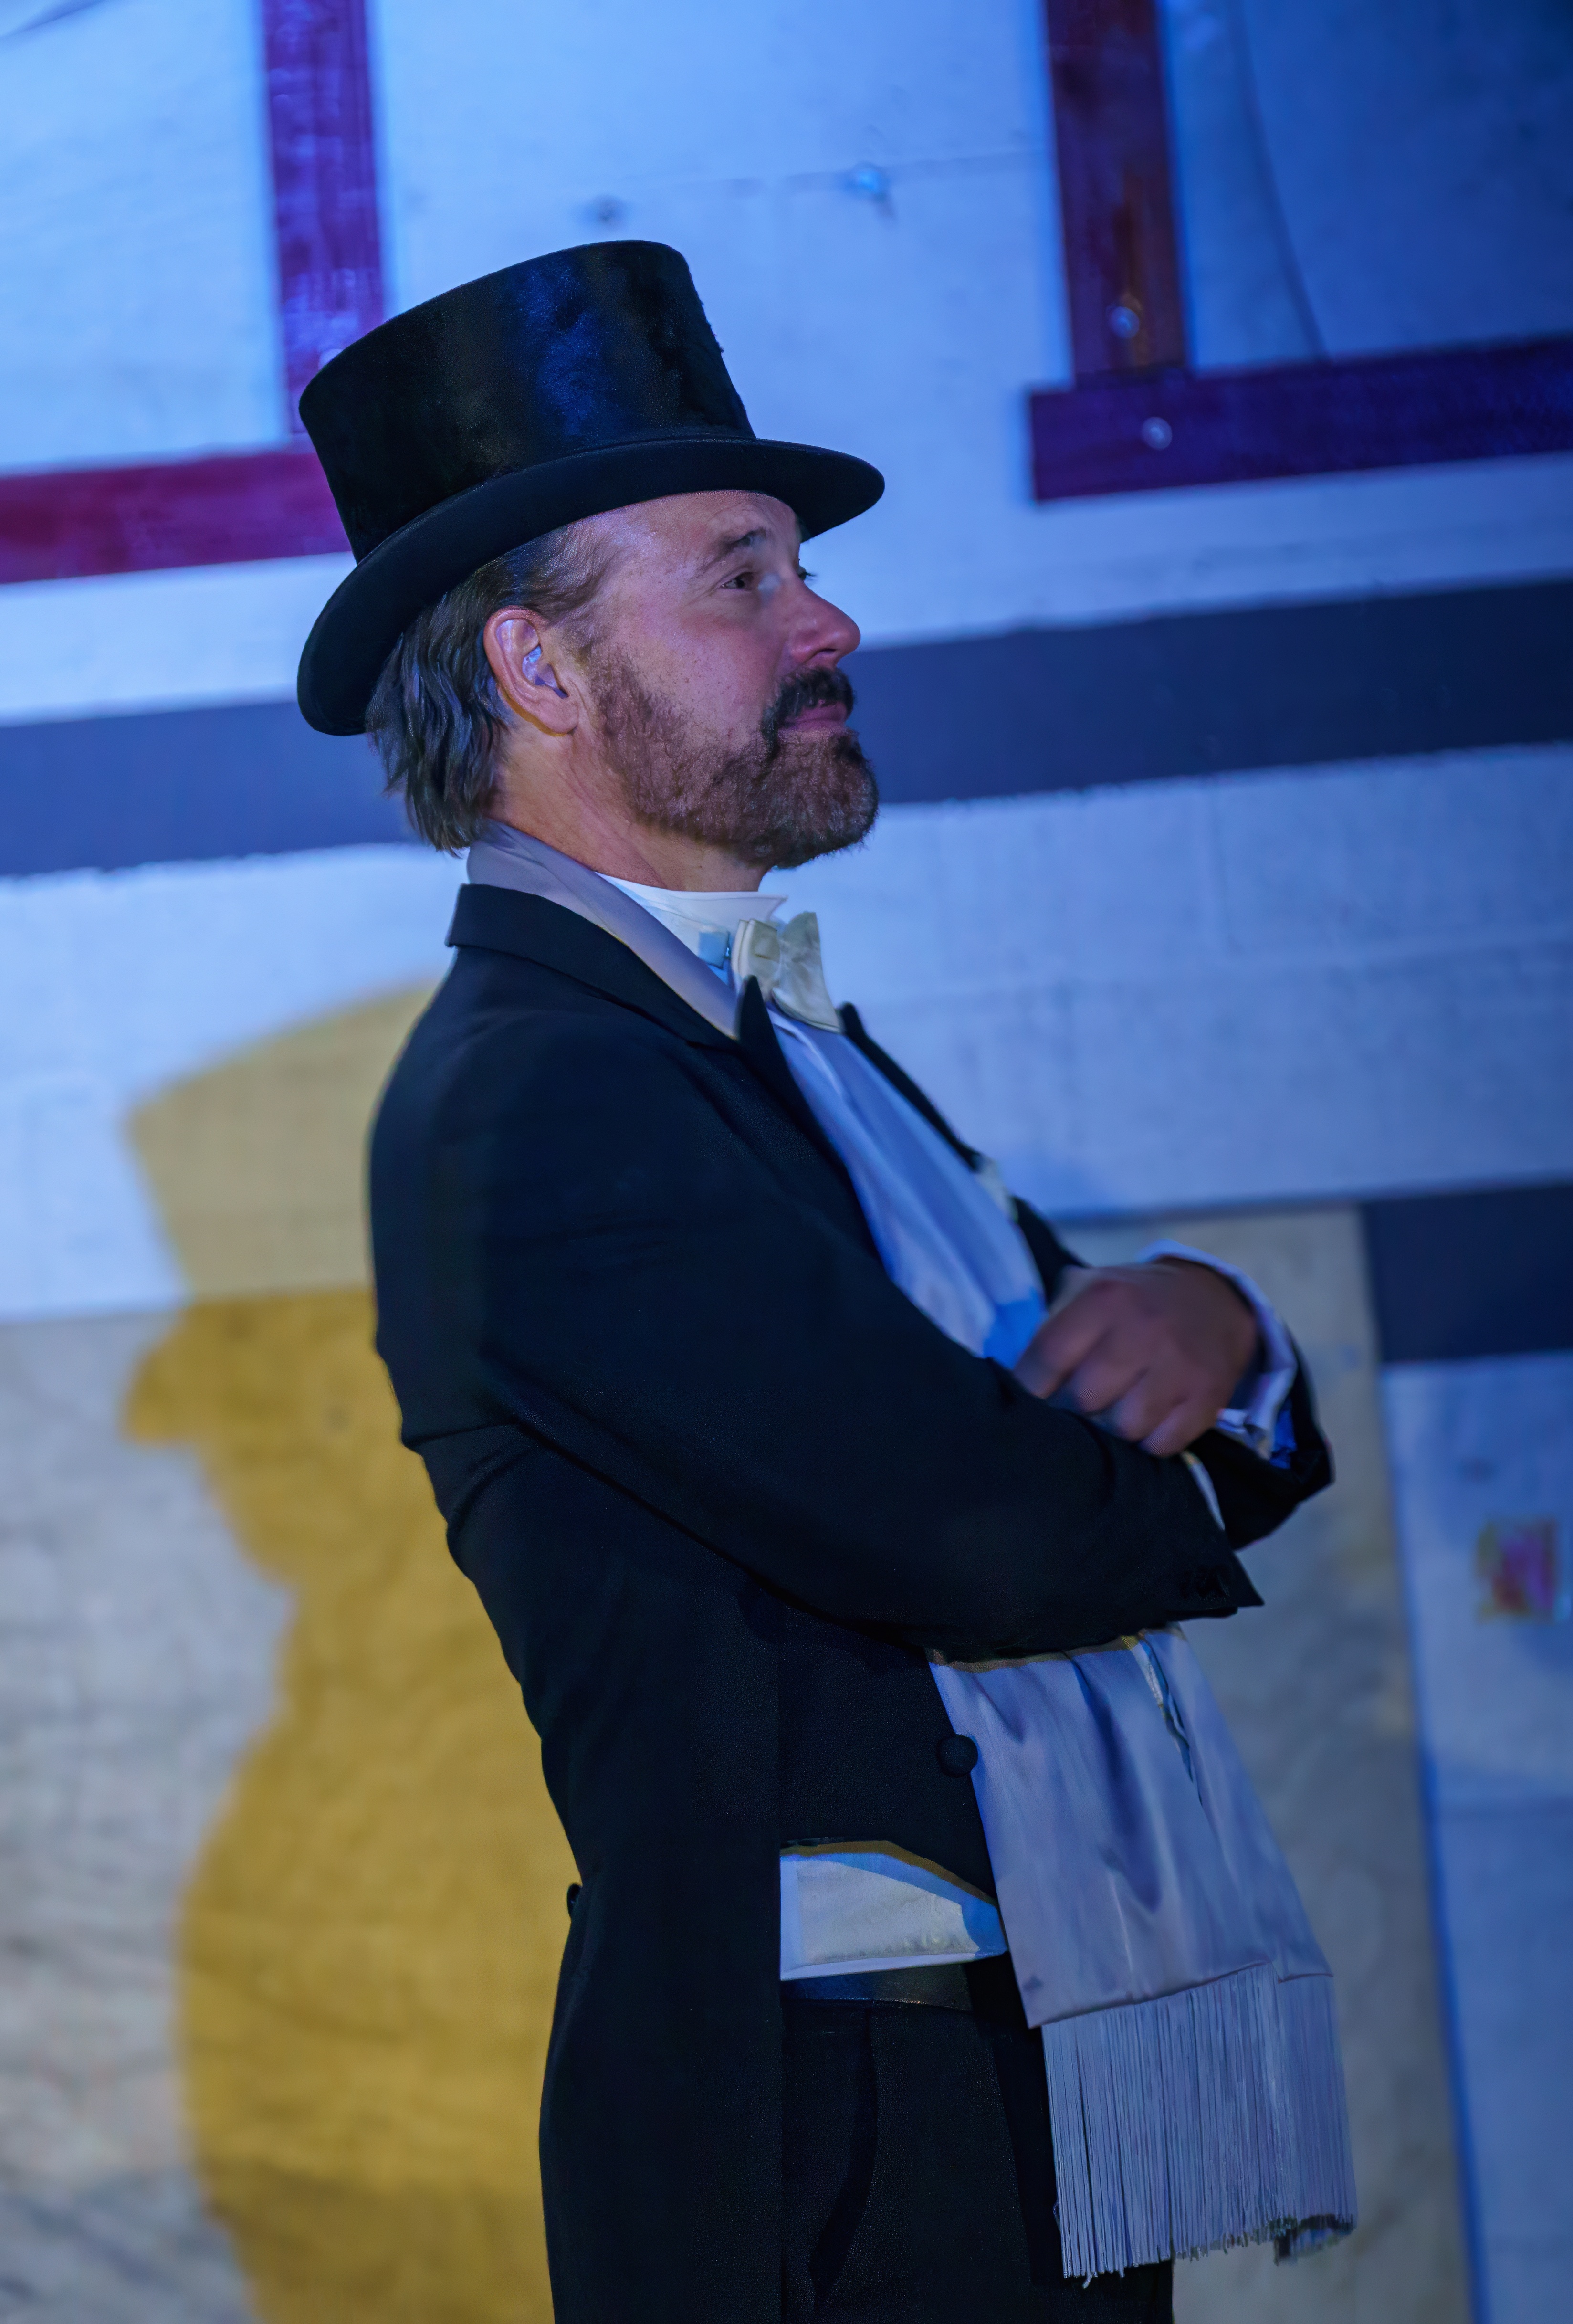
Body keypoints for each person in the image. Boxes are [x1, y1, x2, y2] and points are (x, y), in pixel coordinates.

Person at [296, 242, 1352, 2322]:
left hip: (974, 2095)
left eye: (803, 570)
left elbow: (1122, 1397)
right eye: (743, 576)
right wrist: (1174, 1415)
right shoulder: (543, 1101)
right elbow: (998, 1531)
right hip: (833, 2158)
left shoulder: (781, 1056)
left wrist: (1220, 1317)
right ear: (540, 672)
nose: (829, 620)